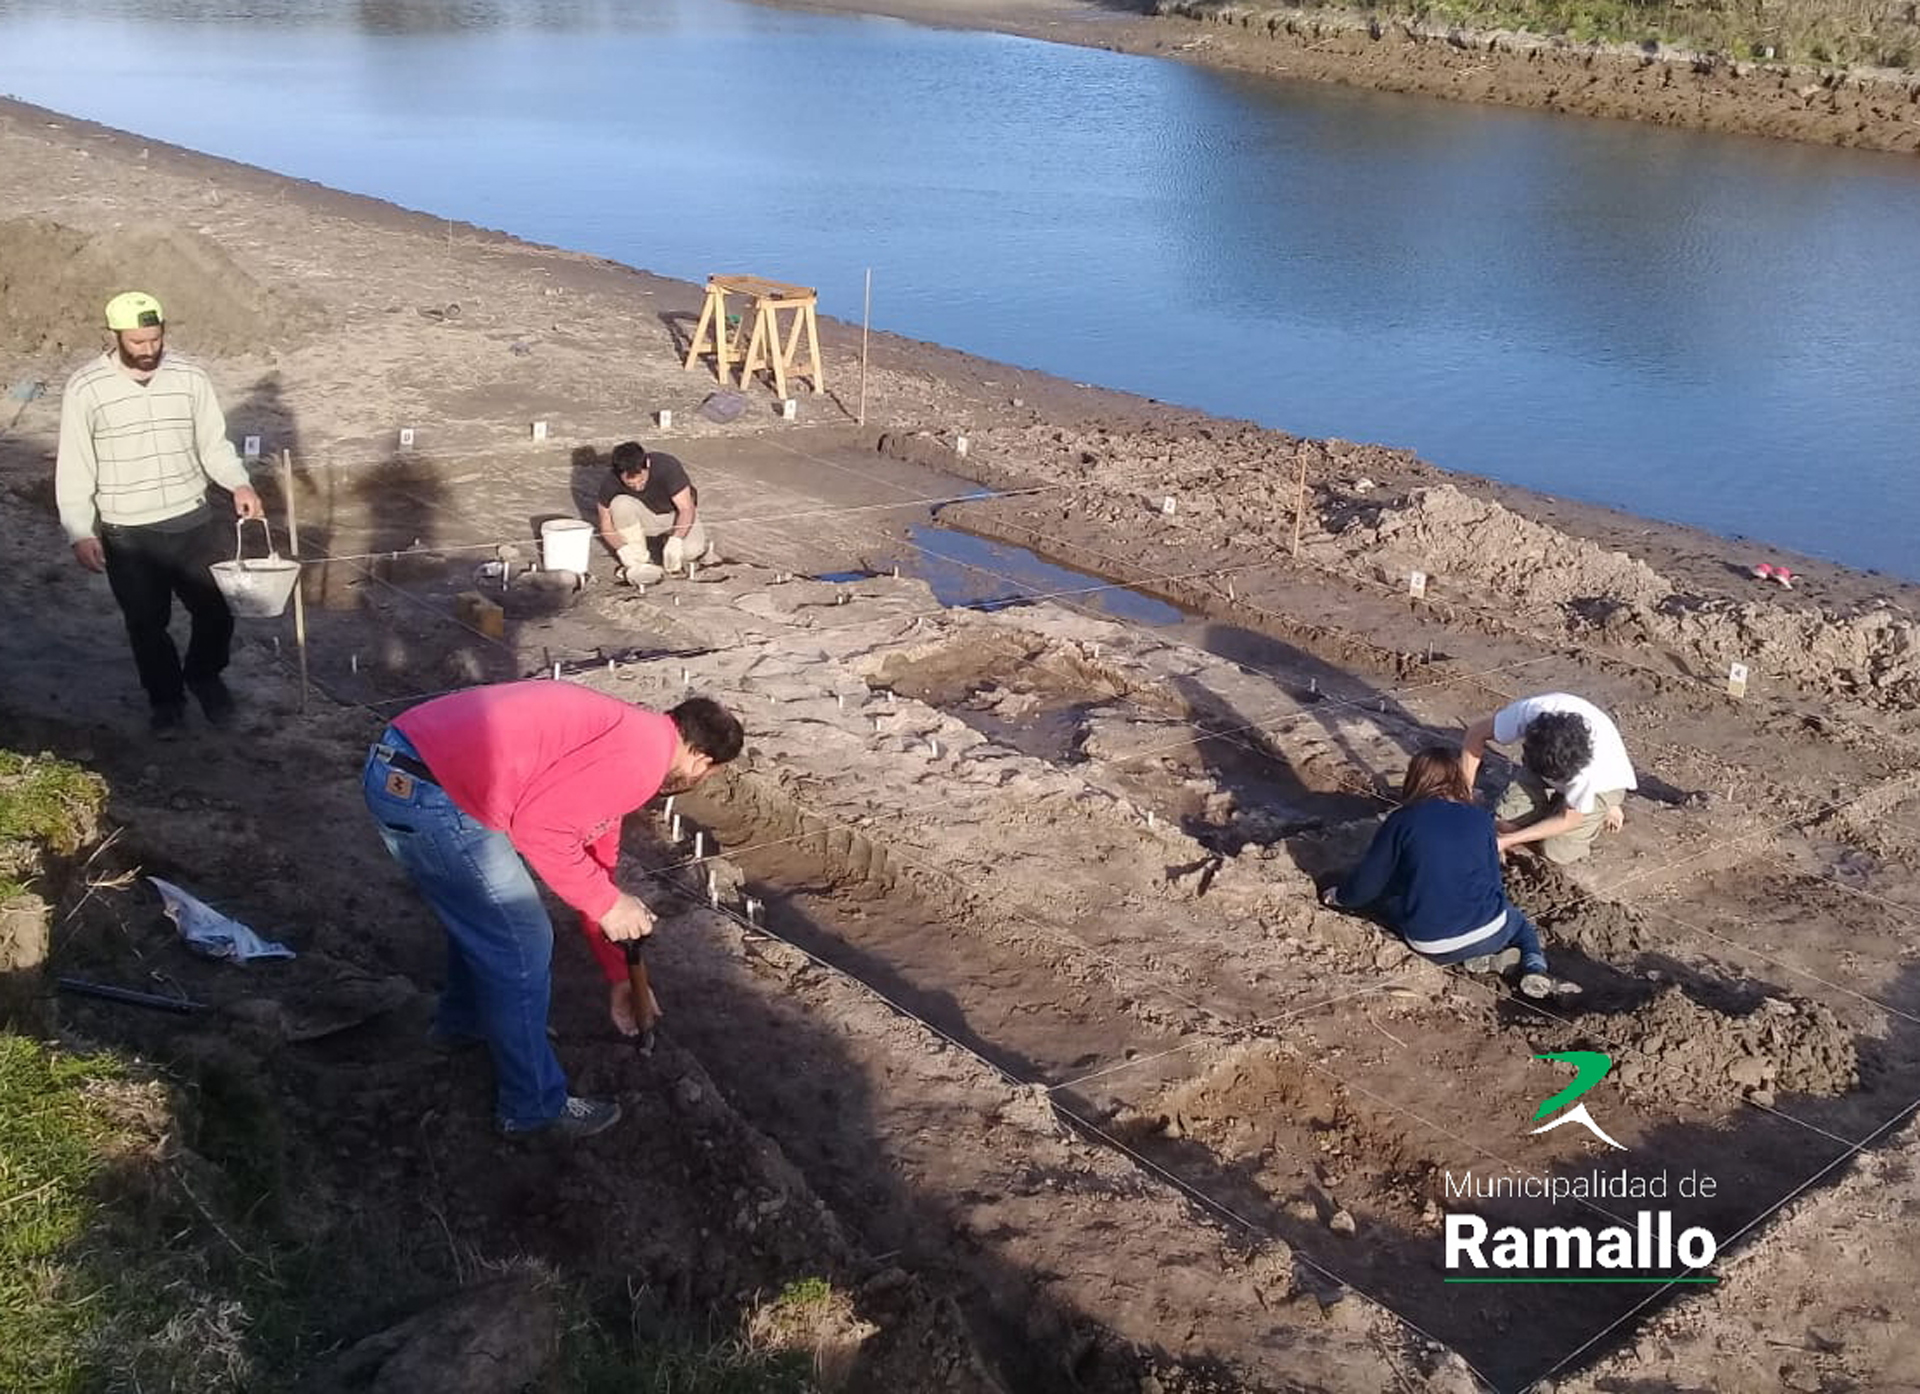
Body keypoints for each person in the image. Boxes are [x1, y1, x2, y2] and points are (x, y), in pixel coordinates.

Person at [362, 682, 744, 1141]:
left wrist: (618, 974)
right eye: (708, 775)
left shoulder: (632, 735)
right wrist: (607, 904)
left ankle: (466, 1024)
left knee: (488, 924)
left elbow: (596, 865)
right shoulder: (640, 763)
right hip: (429, 791)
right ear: (703, 761)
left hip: (410, 768)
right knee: (522, 940)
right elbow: (538, 829)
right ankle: (532, 1108)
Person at [55, 291, 264, 738]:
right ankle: (166, 702)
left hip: (192, 520)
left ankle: (205, 676)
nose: (149, 349)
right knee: (148, 625)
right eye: (137, 341)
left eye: (155, 338)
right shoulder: (86, 388)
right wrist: (79, 529)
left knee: (216, 613)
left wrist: (238, 482)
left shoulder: (189, 377)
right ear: (113, 336)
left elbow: (213, 443)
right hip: (127, 531)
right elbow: (75, 463)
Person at [1322, 747, 1552, 999]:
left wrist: (1339, 897)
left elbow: (1368, 883)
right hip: (1490, 931)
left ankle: (1473, 960)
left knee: (1388, 901)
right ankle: (1534, 966)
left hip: (1432, 944)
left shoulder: (1401, 822)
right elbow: (1493, 879)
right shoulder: (1481, 818)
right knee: (1520, 924)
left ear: (1415, 780)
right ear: (1457, 780)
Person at [1461, 692, 1636, 865]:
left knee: (1556, 851)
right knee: (1504, 823)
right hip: (1543, 761)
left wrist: (1508, 841)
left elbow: (1568, 819)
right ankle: (1557, 806)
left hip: (1604, 785)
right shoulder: (1527, 713)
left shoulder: (1590, 770)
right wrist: (1463, 793)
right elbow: (1475, 734)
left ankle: (1607, 804)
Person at [594, 440, 715, 585]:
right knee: (619, 504)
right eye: (631, 484)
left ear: (648, 465)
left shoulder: (667, 466)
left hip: (674, 516)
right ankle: (638, 558)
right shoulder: (610, 481)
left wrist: (676, 540)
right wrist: (621, 549)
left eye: (642, 481)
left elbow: (686, 509)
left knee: (691, 551)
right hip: (646, 519)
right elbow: (606, 525)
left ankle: (669, 541)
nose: (638, 487)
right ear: (619, 474)